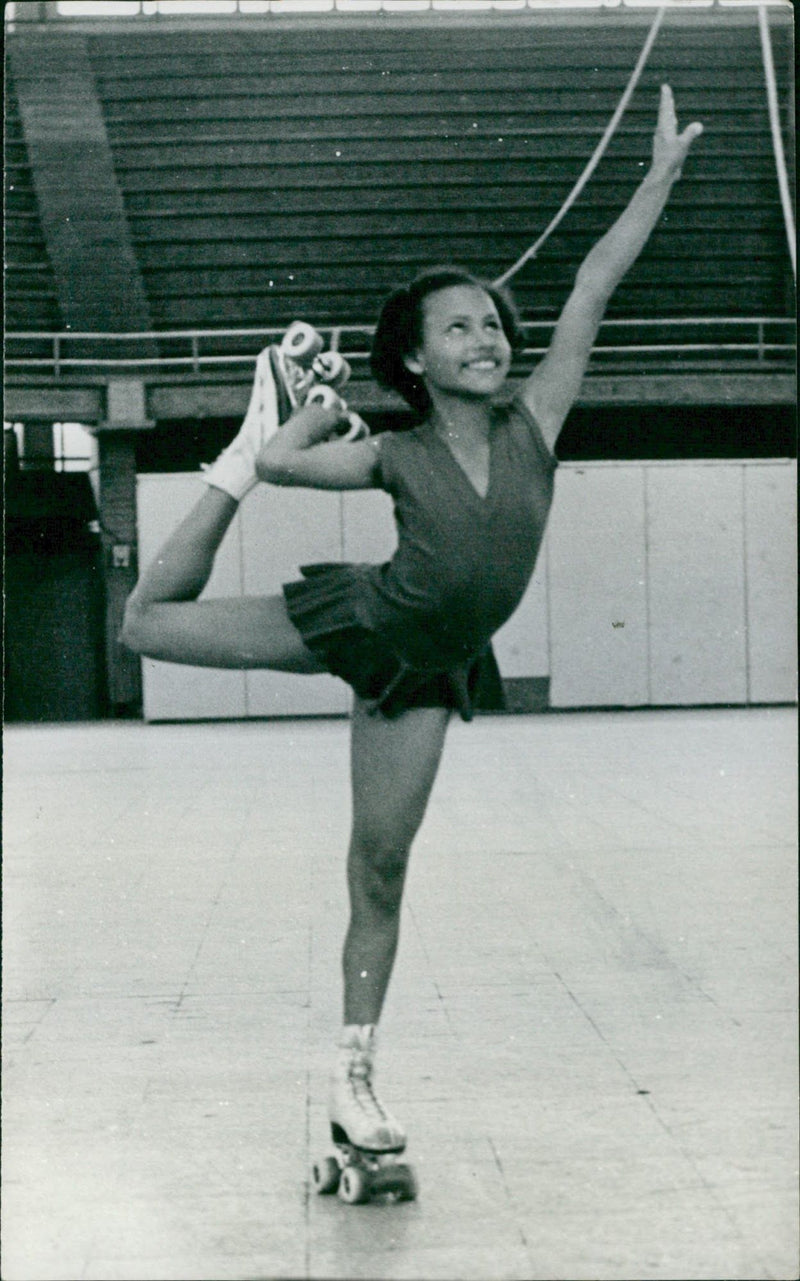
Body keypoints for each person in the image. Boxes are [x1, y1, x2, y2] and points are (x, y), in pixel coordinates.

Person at [122, 86, 702, 1162]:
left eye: (489, 322)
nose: (483, 337)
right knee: (147, 628)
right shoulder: (394, 452)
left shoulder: (537, 420)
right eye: (457, 329)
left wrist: (657, 179)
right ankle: (224, 455)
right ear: (416, 362)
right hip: (366, 622)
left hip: (428, 671)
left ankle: (352, 1078)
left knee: (378, 869)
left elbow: (590, 284)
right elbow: (300, 466)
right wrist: (276, 433)